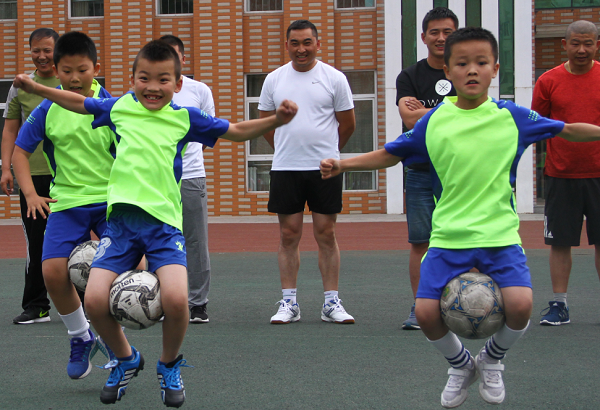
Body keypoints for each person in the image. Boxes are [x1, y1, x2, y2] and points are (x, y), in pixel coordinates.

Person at [320, 27, 600, 408]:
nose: (472, 70)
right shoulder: (433, 122)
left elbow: (567, 130)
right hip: (449, 237)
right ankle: (460, 365)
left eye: (481, 63)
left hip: (500, 236)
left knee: (520, 307)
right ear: (448, 73)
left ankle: (492, 359)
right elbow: (390, 153)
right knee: (425, 313)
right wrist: (344, 164)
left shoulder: (512, 116)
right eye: (462, 63)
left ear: (494, 69)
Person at [13, 40, 297, 407]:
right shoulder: (120, 108)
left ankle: (168, 365)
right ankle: (126, 358)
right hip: (120, 228)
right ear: (131, 80)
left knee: (178, 300)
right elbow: (78, 102)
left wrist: (276, 119)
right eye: (143, 78)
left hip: (164, 227)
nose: (152, 86)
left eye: (163, 79)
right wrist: (36, 88)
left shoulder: (185, 117)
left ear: (178, 85)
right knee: (97, 301)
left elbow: (237, 130)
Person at [11, 31, 116, 378]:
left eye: (82, 70)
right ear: (55, 70)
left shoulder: (114, 107)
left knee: (128, 268)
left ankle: (117, 338)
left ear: (96, 68)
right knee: (52, 271)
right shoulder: (47, 108)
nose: (74, 78)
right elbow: (20, 153)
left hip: (111, 202)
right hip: (67, 201)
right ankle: (80, 336)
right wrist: (30, 194)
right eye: (66, 71)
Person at [258, 20, 356, 325]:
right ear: (287, 45)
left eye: (307, 42)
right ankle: (289, 302)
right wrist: (289, 149)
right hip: (286, 168)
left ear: (317, 43)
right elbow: (265, 123)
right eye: (295, 43)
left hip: (325, 171)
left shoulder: (334, 78)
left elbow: (348, 124)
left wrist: (329, 154)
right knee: (289, 235)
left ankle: (331, 303)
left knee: (326, 233)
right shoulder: (274, 80)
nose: (301, 49)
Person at [531, 20, 600, 326]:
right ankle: (559, 305)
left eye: (588, 43)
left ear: (597, 44)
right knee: (560, 243)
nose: (582, 49)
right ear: (564, 45)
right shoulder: (548, 80)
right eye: (576, 43)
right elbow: (535, 125)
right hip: (560, 175)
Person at [395, 7, 458, 330]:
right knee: (420, 242)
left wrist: (426, 112)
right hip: (419, 169)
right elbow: (409, 120)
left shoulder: (462, 71)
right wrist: (451, 110)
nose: (441, 38)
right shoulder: (409, 76)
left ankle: (461, 303)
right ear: (423, 37)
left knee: (461, 238)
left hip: (459, 171)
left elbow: (473, 116)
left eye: (447, 32)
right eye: (434, 32)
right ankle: (421, 307)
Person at [1, 28, 60, 324]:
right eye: (36, 50)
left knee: (74, 240)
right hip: (32, 177)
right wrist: (5, 168)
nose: (41, 56)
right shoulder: (20, 86)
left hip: (67, 175)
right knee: (36, 241)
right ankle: (36, 305)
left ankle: (87, 303)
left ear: (58, 51)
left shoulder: (70, 82)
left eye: (47, 50)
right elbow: (11, 129)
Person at [159, 35, 214, 324]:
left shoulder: (199, 90)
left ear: (183, 59)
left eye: (175, 55)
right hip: (155, 181)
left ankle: (198, 303)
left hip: (191, 178)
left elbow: (206, 134)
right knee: (156, 240)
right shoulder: (148, 91)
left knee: (195, 242)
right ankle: (155, 300)